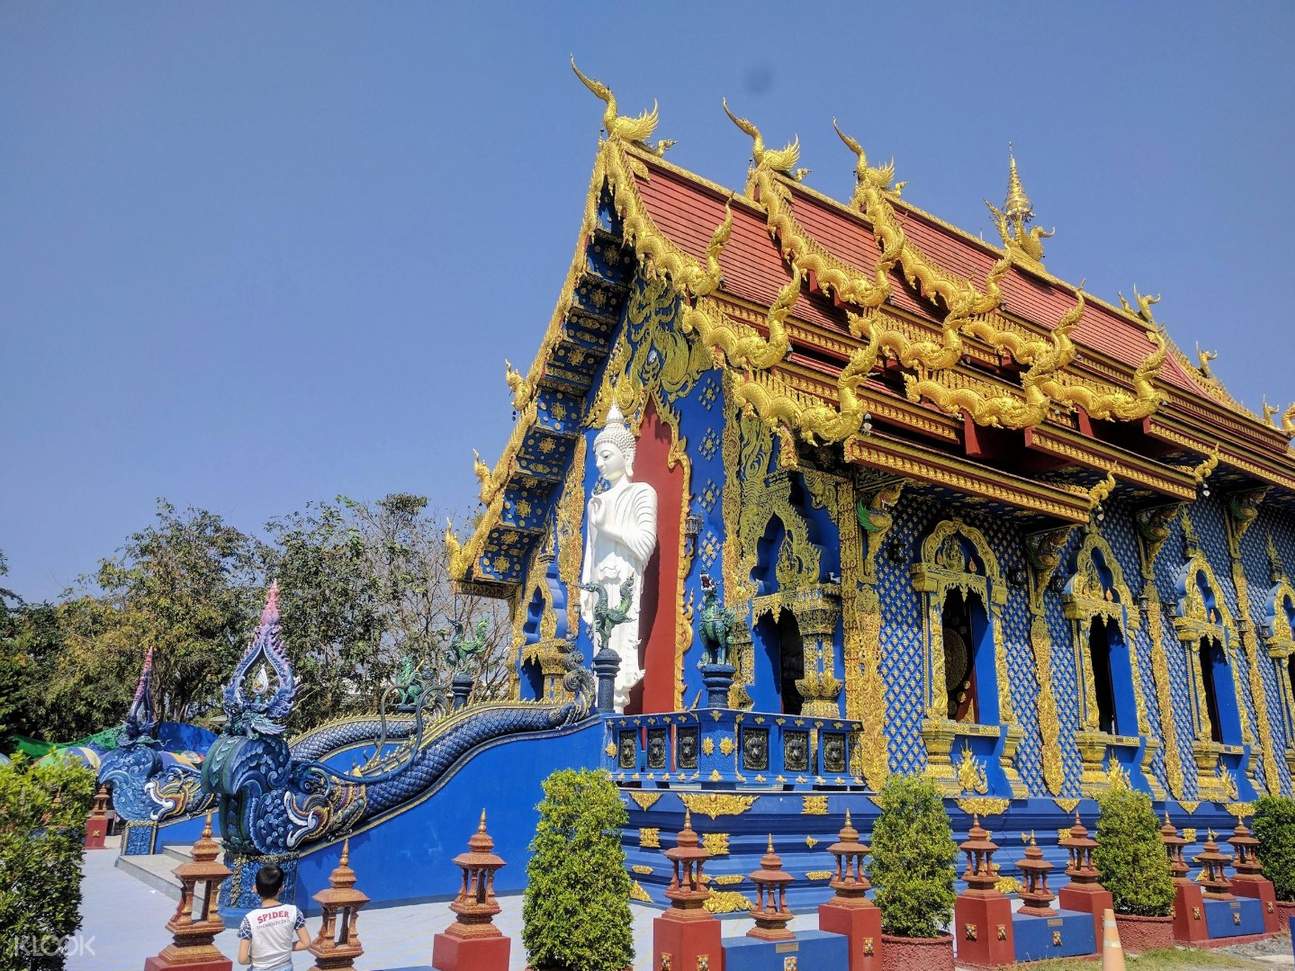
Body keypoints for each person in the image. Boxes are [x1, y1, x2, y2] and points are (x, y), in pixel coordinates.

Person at [236, 864, 311, 971]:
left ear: (255, 888)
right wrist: (282, 949)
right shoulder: (294, 912)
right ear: (281, 888)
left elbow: (242, 959)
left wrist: (255, 959)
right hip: (285, 967)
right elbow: (306, 943)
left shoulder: (249, 919)